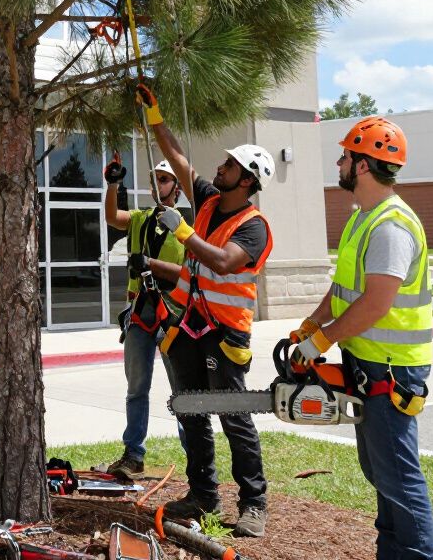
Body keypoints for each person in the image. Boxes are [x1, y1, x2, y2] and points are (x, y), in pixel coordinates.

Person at [292, 116, 433, 560]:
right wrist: (312, 325)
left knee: (398, 477)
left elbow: (376, 304)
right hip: (367, 364)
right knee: (380, 473)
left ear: (361, 165)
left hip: (391, 370)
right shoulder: (364, 218)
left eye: (343, 155)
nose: (337, 162)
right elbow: (342, 291)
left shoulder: (390, 225)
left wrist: (321, 342)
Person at [136, 84, 275, 539]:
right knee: (191, 412)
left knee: (234, 418)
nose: (223, 164)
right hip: (187, 327)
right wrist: (155, 117)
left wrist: (181, 232)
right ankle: (202, 494)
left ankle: (253, 504)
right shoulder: (209, 200)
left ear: (249, 180)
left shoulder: (254, 228)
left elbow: (222, 260)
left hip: (224, 335)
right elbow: (179, 159)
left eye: (232, 164)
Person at [102, 153, 187, 479]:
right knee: (136, 389)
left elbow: (191, 274)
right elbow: (112, 217)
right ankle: (133, 454)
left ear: (176, 188)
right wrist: (113, 184)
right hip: (140, 314)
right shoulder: (139, 218)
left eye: (163, 179)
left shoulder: (186, 228)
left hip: (172, 316)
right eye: (154, 179)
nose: (157, 184)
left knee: (181, 392)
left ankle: (194, 455)